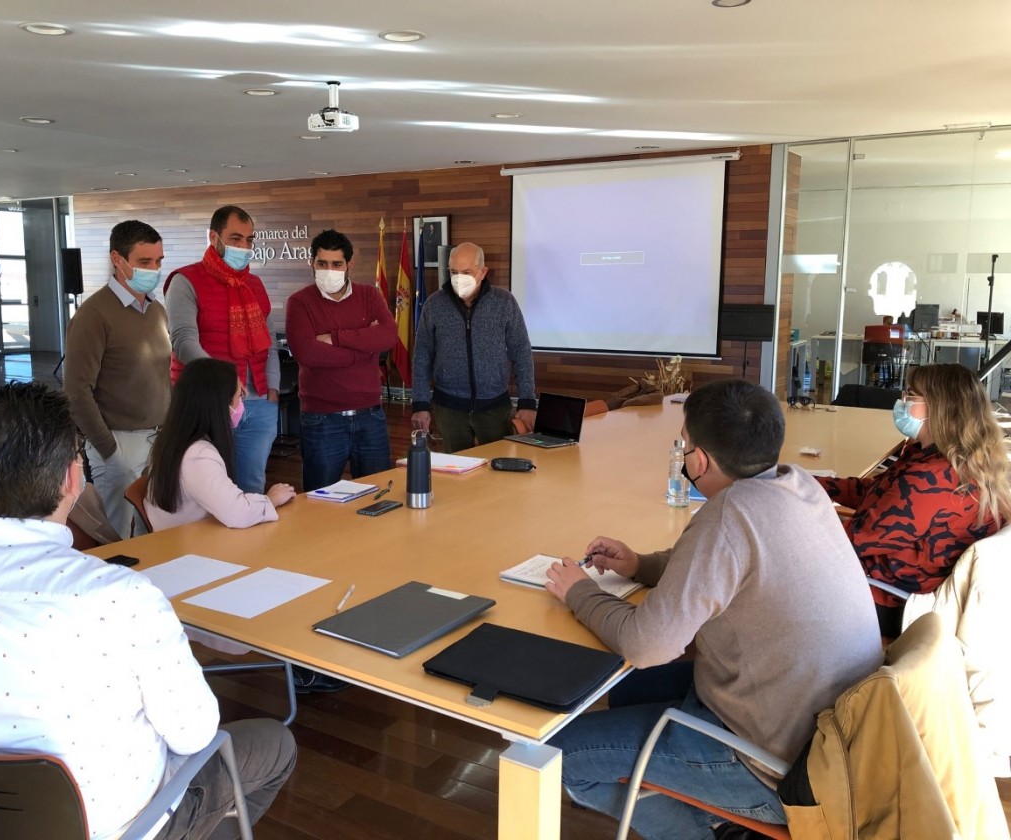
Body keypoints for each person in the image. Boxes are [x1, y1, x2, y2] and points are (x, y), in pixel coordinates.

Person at [0, 382, 295, 840]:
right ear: (71, 478)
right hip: (117, 828)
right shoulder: (121, 598)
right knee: (274, 744)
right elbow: (196, 733)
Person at [544, 379, 882, 840]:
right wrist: (640, 564)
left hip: (776, 768)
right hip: (829, 736)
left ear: (698, 459)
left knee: (557, 756)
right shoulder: (796, 484)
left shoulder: (728, 516)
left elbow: (646, 645)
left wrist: (579, 592)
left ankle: (710, 829)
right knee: (630, 690)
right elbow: (720, 568)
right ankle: (700, 805)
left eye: (683, 446)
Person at [817, 362, 1011, 637]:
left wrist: (791, 512)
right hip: (903, 579)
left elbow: (846, 542)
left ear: (939, 407)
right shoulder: (945, 459)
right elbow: (876, 493)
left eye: (910, 395)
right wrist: (813, 485)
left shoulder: (931, 479)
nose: (901, 402)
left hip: (891, 600)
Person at [63, 219, 170, 537]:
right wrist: (109, 451)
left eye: (158, 261)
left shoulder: (156, 311)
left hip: (157, 439)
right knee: (117, 535)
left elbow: (163, 375)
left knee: (153, 531)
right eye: (144, 262)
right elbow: (76, 390)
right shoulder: (94, 314)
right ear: (117, 260)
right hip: (118, 442)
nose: (153, 268)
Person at [166, 205, 281, 495]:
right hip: (210, 402)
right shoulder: (185, 280)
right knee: (208, 490)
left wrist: (274, 387)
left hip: (258, 402)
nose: (244, 247)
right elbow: (183, 341)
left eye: (249, 240)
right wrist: (225, 381)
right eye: (235, 239)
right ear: (213, 237)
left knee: (252, 486)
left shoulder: (254, 284)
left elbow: (269, 340)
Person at [285, 228, 398, 491]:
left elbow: (388, 336)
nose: (329, 270)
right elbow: (307, 353)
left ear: (349, 265)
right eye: (322, 263)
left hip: (370, 416)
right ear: (311, 263)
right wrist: (365, 348)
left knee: (378, 495)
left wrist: (335, 338)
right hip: (322, 420)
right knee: (321, 502)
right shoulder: (299, 302)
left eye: (337, 264)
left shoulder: (369, 295)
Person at [411, 242, 537, 452]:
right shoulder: (434, 305)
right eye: (453, 272)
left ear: (482, 271)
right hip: (449, 409)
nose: (459, 278)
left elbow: (521, 352)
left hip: (495, 408)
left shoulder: (504, 303)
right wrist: (420, 404)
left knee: (499, 470)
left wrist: (527, 401)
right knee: (457, 471)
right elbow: (421, 356)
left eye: (466, 272)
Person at [145, 358, 295, 531]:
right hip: (192, 548)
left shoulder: (177, 441)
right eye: (240, 396)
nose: (242, 404)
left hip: (190, 539)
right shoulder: (198, 455)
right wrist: (271, 499)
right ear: (219, 404)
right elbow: (237, 513)